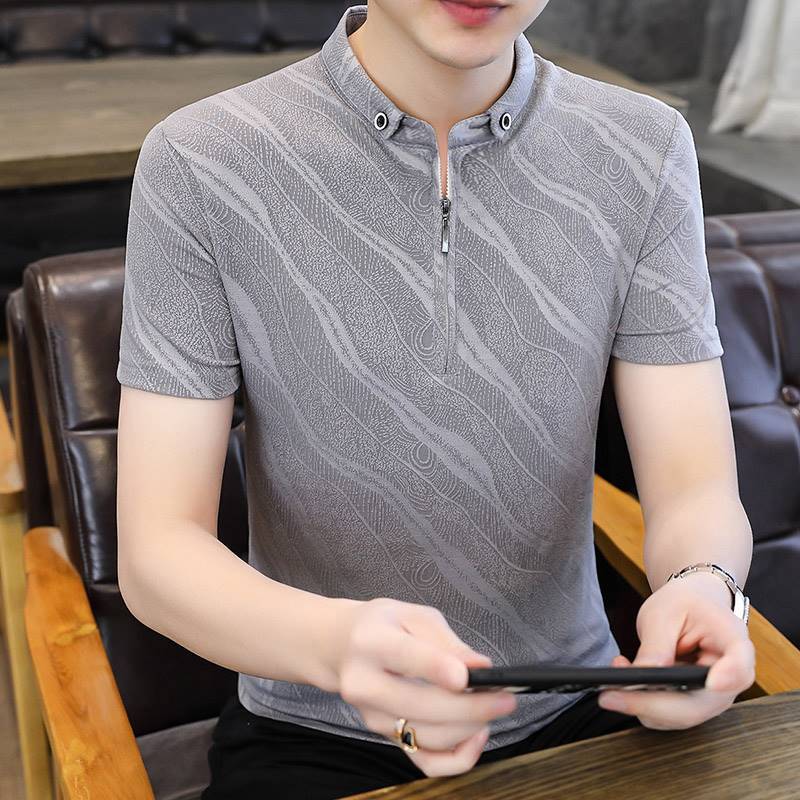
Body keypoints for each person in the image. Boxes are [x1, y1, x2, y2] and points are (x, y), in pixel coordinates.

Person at [115, 2, 756, 798]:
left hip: (581, 704)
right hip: (315, 726)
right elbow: (157, 551)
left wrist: (706, 585)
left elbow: (695, 488)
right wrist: (339, 646)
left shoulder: (645, 147)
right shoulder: (200, 159)